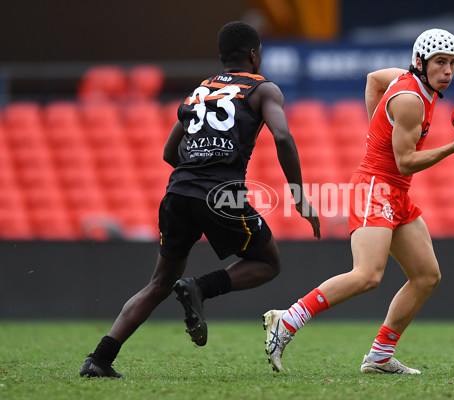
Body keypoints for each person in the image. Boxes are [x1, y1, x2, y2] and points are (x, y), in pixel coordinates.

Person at [79, 21, 320, 378]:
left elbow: (168, 151)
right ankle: (199, 288)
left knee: (158, 283)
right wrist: (299, 196)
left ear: (223, 57)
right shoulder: (263, 89)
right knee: (268, 262)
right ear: (254, 54)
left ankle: (99, 359)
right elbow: (283, 136)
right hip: (219, 193)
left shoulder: (200, 91)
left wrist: (196, 172)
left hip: (177, 192)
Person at [263, 28, 454, 374]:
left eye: (453, 64)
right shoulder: (410, 101)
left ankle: (379, 357)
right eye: (441, 62)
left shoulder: (409, 81)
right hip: (376, 187)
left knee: (426, 275)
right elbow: (405, 161)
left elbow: (373, 79)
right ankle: (287, 321)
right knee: (367, 275)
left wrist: (376, 127)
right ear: (421, 62)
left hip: (395, 190)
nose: (448, 71)